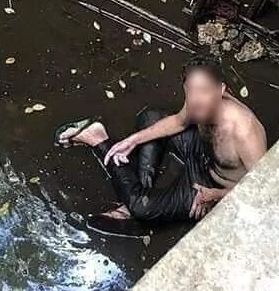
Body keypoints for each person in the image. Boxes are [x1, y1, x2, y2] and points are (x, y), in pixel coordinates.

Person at [54, 54, 267, 230]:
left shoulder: (244, 130)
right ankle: (139, 194)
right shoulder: (196, 101)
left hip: (212, 186)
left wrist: (216, 196)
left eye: (204, 92)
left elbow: (262, 190)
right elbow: (179, 121)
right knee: (150, 118)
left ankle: (99, 141)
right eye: (191, 91)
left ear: (221, 91)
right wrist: (133, 140)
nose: (196, 100)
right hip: (200, 152)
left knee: (142, 209)